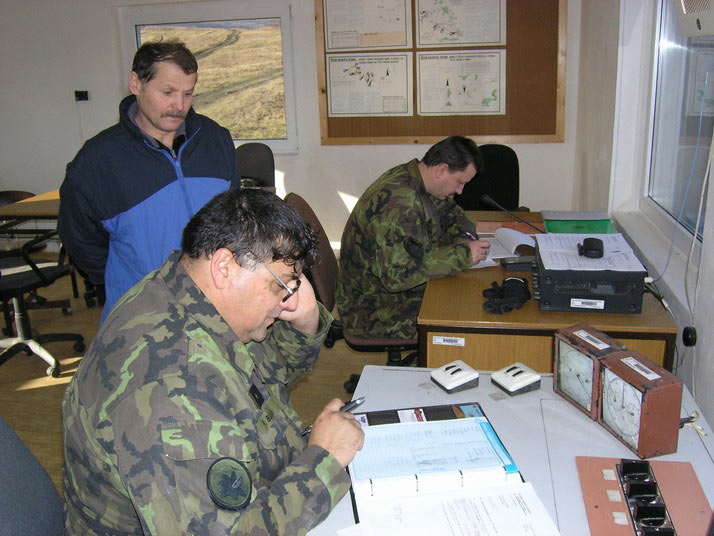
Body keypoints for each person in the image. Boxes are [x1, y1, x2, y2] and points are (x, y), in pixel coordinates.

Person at [62, 188, 364, 534]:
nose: (289, 300)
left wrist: (305, 323)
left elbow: (258, 382)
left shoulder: (181, 293)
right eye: (281, 285)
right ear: (224, 267)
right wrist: (324, 461)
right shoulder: (170, 394)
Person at [58, 40, 240, 324]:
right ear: (136, 84)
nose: (179, 106)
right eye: (167, 92)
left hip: (215, 308)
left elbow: (233, 215)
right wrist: (120, 280)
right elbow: (80, 239)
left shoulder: (216, 139)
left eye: (188, 93)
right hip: (141, 316)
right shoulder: (97, 161)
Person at [336, 136, 490, 341]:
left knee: (462, 292)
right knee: (461, 315)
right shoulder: (400, 206)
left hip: (386, 292)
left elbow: (450, 212)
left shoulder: (417, 178)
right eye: (459, 182)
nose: (460, 191)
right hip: (372, 311)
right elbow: (398, 276)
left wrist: (465, 237)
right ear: (441, 170)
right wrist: (462, 255)